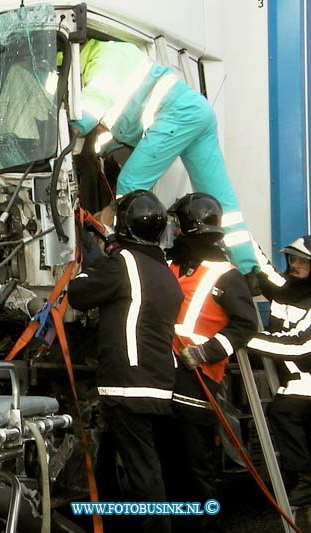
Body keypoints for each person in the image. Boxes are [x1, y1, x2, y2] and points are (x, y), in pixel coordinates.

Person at [70, 39, 258, 277]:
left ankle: (124, 263)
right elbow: (124, 120)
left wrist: (70, 128)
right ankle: (249, 270)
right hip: (194, 112)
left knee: (130, 185)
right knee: (220, 198)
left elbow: (93, 104)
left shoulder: (103, 58)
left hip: (177, 113)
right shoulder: (115, 53)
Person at [70, 190, 183, 533]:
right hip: (157, 382)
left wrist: (96, 256)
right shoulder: (163, 271)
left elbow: (79, 292)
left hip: (128, 384)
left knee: (143, 471)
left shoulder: (123, 263)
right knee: (114, 460)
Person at [166, 193, 258, 531]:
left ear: (191, 226)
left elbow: (245, 325)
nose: (173, 231)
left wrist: (206, 353)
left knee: (196, 468)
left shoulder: (225, 275)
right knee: (172, 466)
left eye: (177, 224)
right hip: (169, 376)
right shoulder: (175, 265)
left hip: (199, 379)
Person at [247, 235, 311, 506]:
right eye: (292, 259)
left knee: (283, 410)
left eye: (302, 261)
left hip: (305, 377)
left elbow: (298, 346)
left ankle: (307, 480)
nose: (294, 264)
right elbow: (262, 266)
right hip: (296, 378)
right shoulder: (286, 288)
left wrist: (246, 339)